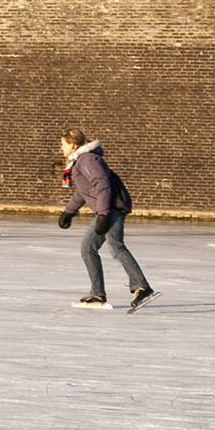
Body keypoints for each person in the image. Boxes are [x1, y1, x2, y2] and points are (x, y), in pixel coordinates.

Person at [58, 128, 157, 310]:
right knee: (89, 248)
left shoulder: (86, 160)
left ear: (72, 145)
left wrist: (103, 214)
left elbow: (102, 184)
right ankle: (98, 293)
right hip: (107, 209)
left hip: (110, 209)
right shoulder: (81, 161)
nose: (60, 148)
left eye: (62, 144)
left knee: (114, 247)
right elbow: (83, 191)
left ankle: (142, 287)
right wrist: (68, 212)